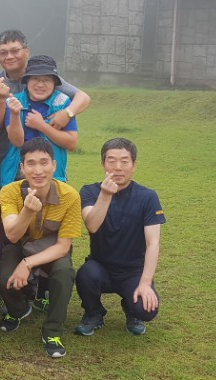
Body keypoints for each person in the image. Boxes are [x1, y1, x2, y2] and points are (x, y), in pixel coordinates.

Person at [0, 138, 82, 358]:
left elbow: (63, 246)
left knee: (64, 273)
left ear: (54, 165)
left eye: (44, 163)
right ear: (22, 167)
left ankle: (53, 331)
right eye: (31, 163)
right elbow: (12, 235)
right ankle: (19, 309)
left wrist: (28, 264)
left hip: (52, 248)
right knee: (4, 278)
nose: (38, 171)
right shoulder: (9, 192)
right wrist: (27, 211)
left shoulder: (70, 196)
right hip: (19, 244)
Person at [74, 138, 165, 337]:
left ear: (134, 165)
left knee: (146, 310)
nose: (118, 167)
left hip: (133, 271)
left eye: (124, 161)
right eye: (111, 161)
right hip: (100, 267)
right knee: (85, 275)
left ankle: (132, 310)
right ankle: (94, 313)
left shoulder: (147, 197)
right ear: (103, 164)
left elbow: (153, 243)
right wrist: (105, 195)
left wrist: (145, 282)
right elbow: (92, 225)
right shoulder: (89, 191)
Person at [0, 30, 90, 158]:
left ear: (27, 51)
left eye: (15, 51)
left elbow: (83, 97)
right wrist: (0, 99)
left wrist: (67, 113)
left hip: (46, 154)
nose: (9, 56)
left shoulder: (43, 75)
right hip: (6, 155)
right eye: (3, 52)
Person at [1, 55, 78, 185]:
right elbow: (16, 141)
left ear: (54, 83)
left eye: (46, 80)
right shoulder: (13, 101)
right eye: (35, 79)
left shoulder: (62, 102)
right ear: (27, 81)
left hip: (52, 174)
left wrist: (42, 126)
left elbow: (71, 143)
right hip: (16, 174)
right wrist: (15, 114)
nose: (40, 84)